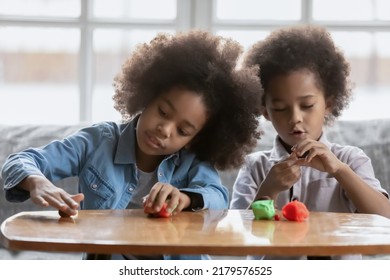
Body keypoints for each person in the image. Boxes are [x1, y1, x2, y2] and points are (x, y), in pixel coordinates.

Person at [1, 30, 263, 260]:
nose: (165, 129)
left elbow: (219, 199)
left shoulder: (192, 159)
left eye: (183, 130)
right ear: (147, 95)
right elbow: (19, 161)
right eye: (162, 111)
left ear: (195, 139)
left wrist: (186, 197)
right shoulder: (98, 141)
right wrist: (37, 181)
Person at [230, 25, 390, 260]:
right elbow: (237, 239)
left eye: (307, 106)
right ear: (264, 110)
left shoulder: (350, 159)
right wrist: (269, 190)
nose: (295, 118)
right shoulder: (254, 167)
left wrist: (340, 171)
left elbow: (384, 220)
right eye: (280, 108)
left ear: (329, 104)